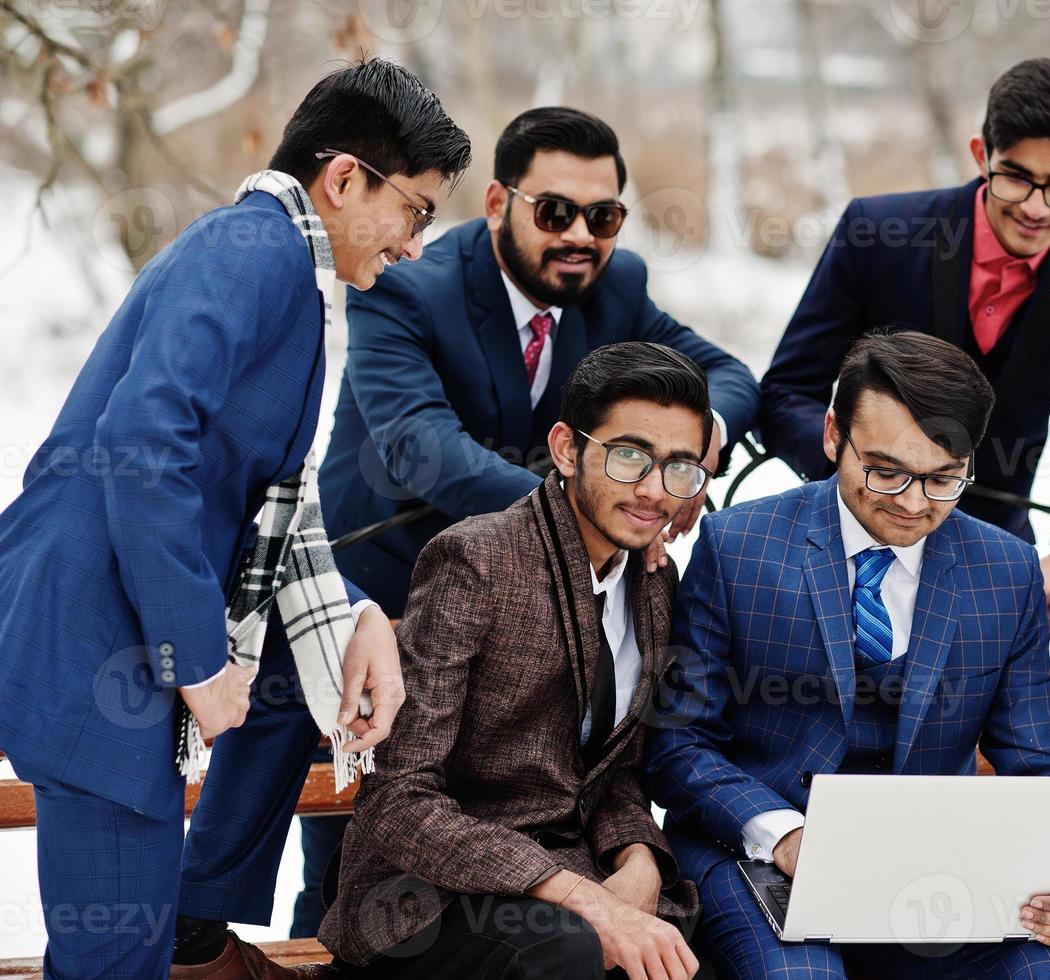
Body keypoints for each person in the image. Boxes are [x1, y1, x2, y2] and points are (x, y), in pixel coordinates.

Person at [0, 59, 471, 979]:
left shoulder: (284, 267)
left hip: (110, 639)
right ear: (343, 179)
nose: (417, 243)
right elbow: (144, 444)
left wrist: (357, 620)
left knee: (120, 953)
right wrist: (196, 659)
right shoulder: (248, 251)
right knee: (112, 961)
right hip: (92, 640)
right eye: (415, 209)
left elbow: (275, 506)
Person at [647, 331, 1050, 978]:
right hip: (755, 854)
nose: (913, 503)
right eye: (885, 471)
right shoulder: (735, 546)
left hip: (933, 867)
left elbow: (1038, 759)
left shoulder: (1006, 570)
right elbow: (678, 745)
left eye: (943, 478)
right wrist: (782, 833)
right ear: (832, 435)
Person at [318, 342, 707, 980]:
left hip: (571, 877)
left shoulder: (653, 580)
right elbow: (400, 796)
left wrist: (638, 860)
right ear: (566, 448)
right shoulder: (477, 561)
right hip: (426, 894)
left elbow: (615, 774)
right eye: (629, 456)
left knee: (696, 951)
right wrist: (577, 896)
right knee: (564, 951)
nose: (653, 490)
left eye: (679, 467)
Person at [319, 105, 760, 619]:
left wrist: (695, 450)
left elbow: (730, 377)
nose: (579, 236)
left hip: (526, 593)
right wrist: (591, 512)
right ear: (495, 205)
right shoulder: (404, 287)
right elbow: (422, 447)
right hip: (380, 589)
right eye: (553, 211)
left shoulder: (615, 285)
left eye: (602, 217)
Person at [759, 58, 1050, 622]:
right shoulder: (877, 233)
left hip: (986, 561)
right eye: (1015, 176)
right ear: (979, 155)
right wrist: (866, 480)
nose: (1036, 208)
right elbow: (786, 392)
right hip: (845, 534)